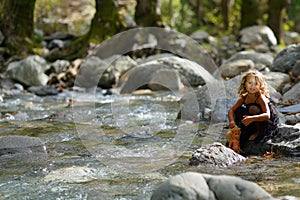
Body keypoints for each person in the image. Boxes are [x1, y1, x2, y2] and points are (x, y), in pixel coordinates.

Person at [227, 70, 279, 150]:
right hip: (254, 118)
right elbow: (231, 110)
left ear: (260, 86)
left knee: (253, 109)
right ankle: (245, 132)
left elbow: (267, 115)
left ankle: (258, 132)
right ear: (245, 84)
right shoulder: (244, 97)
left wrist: (252, 118)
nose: (252, 86)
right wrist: (231, 121)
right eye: (250, 83)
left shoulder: (260, 97)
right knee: (239, 110)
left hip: (267, 121)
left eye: (256, 84)